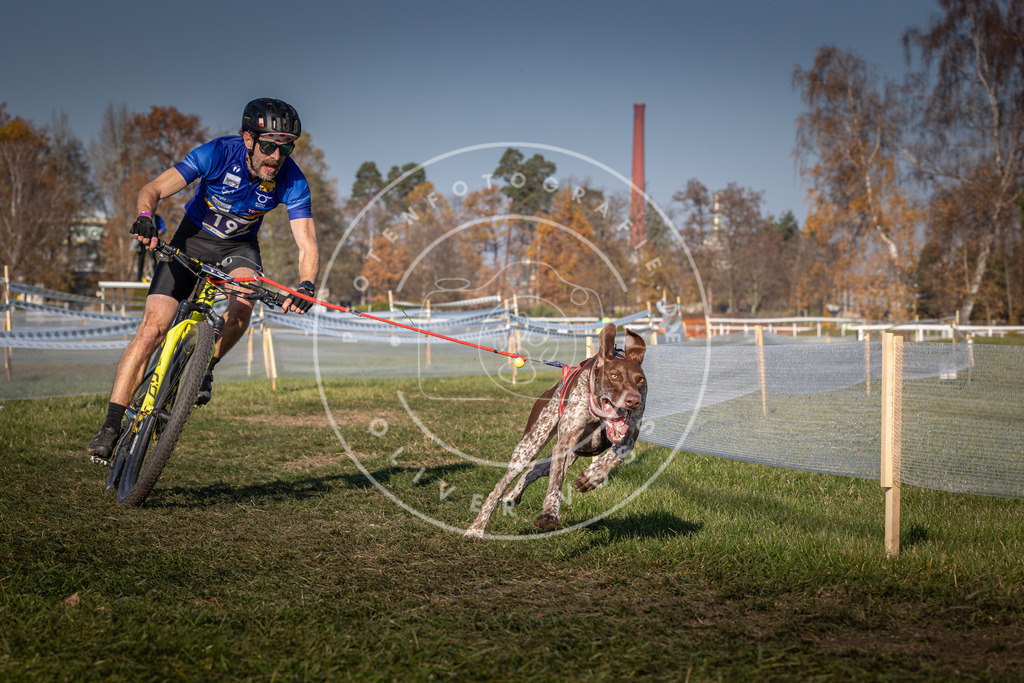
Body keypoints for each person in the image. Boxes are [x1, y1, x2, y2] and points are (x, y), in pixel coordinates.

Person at [88, 98, 319, 465]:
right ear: (248, 138)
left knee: (243, 306)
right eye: (270, 146)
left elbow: (306, 240)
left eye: (286, 147)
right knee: (152, 330)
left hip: (238, 249)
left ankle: (203, 368)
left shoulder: (292, 179)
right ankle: (111, 425)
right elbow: (154, 188)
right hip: (190, 240)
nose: (277, 156)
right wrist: (145, 216)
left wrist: (306, 284)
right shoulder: (216, 153)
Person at [134, 213, 166, 281]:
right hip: (141, 241)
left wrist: (157, 232)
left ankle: (155, 277)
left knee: (152, 258)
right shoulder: (141, 217)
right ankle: (139, 278)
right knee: (140, 259)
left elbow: (163, 228)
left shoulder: (157, 217)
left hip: (152, 240)